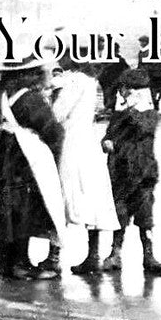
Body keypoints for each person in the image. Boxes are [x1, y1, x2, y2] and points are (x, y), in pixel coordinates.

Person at [0, 56, 66, 280]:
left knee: (8, 207)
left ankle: (8, 259)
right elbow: (54, 132)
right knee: (24, 208)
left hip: (5, 155)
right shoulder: (32, 99)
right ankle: (20, 262)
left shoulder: (2, 95)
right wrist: (53, 156)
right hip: (25, 159)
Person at [49, 53, 120, 276]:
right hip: (87, 140)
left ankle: (54, 256)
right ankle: (93, 254)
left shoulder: (72, 82)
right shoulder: (90, 81)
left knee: (62, 196)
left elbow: (57, 113)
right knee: (92, 195)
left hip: (70, 142)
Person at [100, 68, 161, 275]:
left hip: (143, 172)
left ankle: (148, 254)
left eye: (127, 90)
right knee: (120, 214)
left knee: (145, 216)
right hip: (120, 171)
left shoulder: (149, 114)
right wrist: (107, 141)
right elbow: (108, 135)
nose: (123, 94)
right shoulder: (120, 114)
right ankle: (115, 252)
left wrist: (129, 110)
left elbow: (143, 129)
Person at [136, 34, 161, 111]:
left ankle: (156, 102)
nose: (141, 44)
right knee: (160, 89)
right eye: (140, 42)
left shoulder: (144, 52)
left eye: (142, 42)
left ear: (146, 42)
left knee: (156, 89)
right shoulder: (158, 50)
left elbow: (141, 64)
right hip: (157, 74)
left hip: (152, 74)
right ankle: (156, 103)